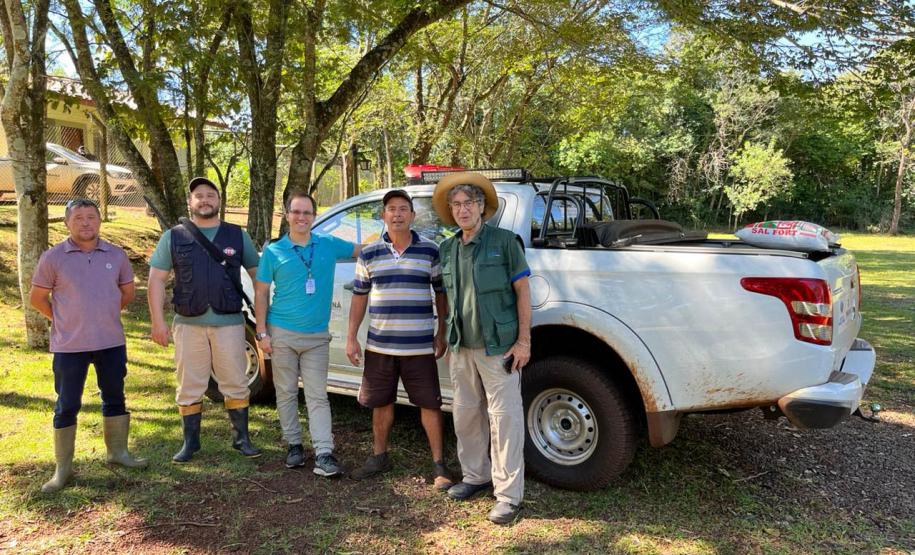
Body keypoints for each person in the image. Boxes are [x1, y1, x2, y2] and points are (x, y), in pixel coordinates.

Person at [432, 172, 531, 525]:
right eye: (456, 205)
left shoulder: (505, 242)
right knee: (466, 414)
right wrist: (442, 332)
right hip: (461, 347)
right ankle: (475, 475)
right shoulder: (447, 248)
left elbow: (522, 292)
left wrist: (524, 340)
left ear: (482, 207)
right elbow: (442, 295)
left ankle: (508, 495)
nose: (462, 210)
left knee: (504, 420)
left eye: (468, 203)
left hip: (499, 347)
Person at [30, 198, 147, 493]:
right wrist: (63, 319)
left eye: (91, 217)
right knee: (67, 404)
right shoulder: (53, 258)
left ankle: (118, 453)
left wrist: (102, 314)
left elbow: (128, 292)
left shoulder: (116, 255)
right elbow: (37, 298)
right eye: (79, 218)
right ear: (68, 223)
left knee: (115, 397)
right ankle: (63, 468)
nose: (86, 223)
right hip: (70, 345)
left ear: (99, 221)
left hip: (110, 342)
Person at [148, 177, 261, 463]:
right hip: (189, 324)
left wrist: (263, 315)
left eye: (211, 195)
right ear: (190, 202)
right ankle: (190, 443)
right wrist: (158, 322)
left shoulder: (237, 235)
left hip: (230, 322)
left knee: (236, 381)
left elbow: (259, 276)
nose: (205, 200)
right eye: (199, 196)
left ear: (219, 201)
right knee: (189, 384)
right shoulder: (173, 237)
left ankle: (241, 439)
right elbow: (156, 280)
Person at [345, 190, 453, 490]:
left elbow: (441, 293)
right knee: (381, 402)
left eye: (403, 209)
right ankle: (379, 456)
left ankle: (439, 465)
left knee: (429, 404)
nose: (397, 214)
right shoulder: (369, 252)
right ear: (383, 215)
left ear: (412, 216)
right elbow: (359, 297)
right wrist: (351, 338)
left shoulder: (430, 250)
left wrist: (441, 332)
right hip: (379, 345)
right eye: (391, 209)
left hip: (419, 345)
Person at [253, 191, 361, 477]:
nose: (302, 218)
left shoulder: (327, 244)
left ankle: (324, 453)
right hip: (282, 333)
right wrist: (261, 332)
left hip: (316, 337)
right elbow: (261, 293)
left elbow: (361, 250)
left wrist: (395, 238)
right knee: (286, 393)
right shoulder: (274, 252)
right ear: (287, 215)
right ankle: (294, 446)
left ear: (314, 217)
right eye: (296, 212)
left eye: (308, 213)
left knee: (317, 395)